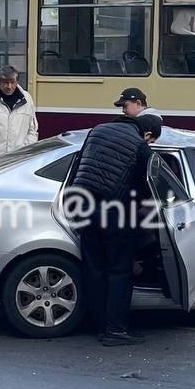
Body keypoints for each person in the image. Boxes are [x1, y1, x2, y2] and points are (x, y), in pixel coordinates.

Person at [70, 111, 163, 346]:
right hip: (113, 212)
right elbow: (145, 186)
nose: (150, 143)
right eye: (152, 140)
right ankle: (115, 331)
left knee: (94, 269)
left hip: (83, 208)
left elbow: (80, 164)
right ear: (148, 134)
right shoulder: (141, 146)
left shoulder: (97, 130)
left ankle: (100, 325)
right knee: (119, 272)